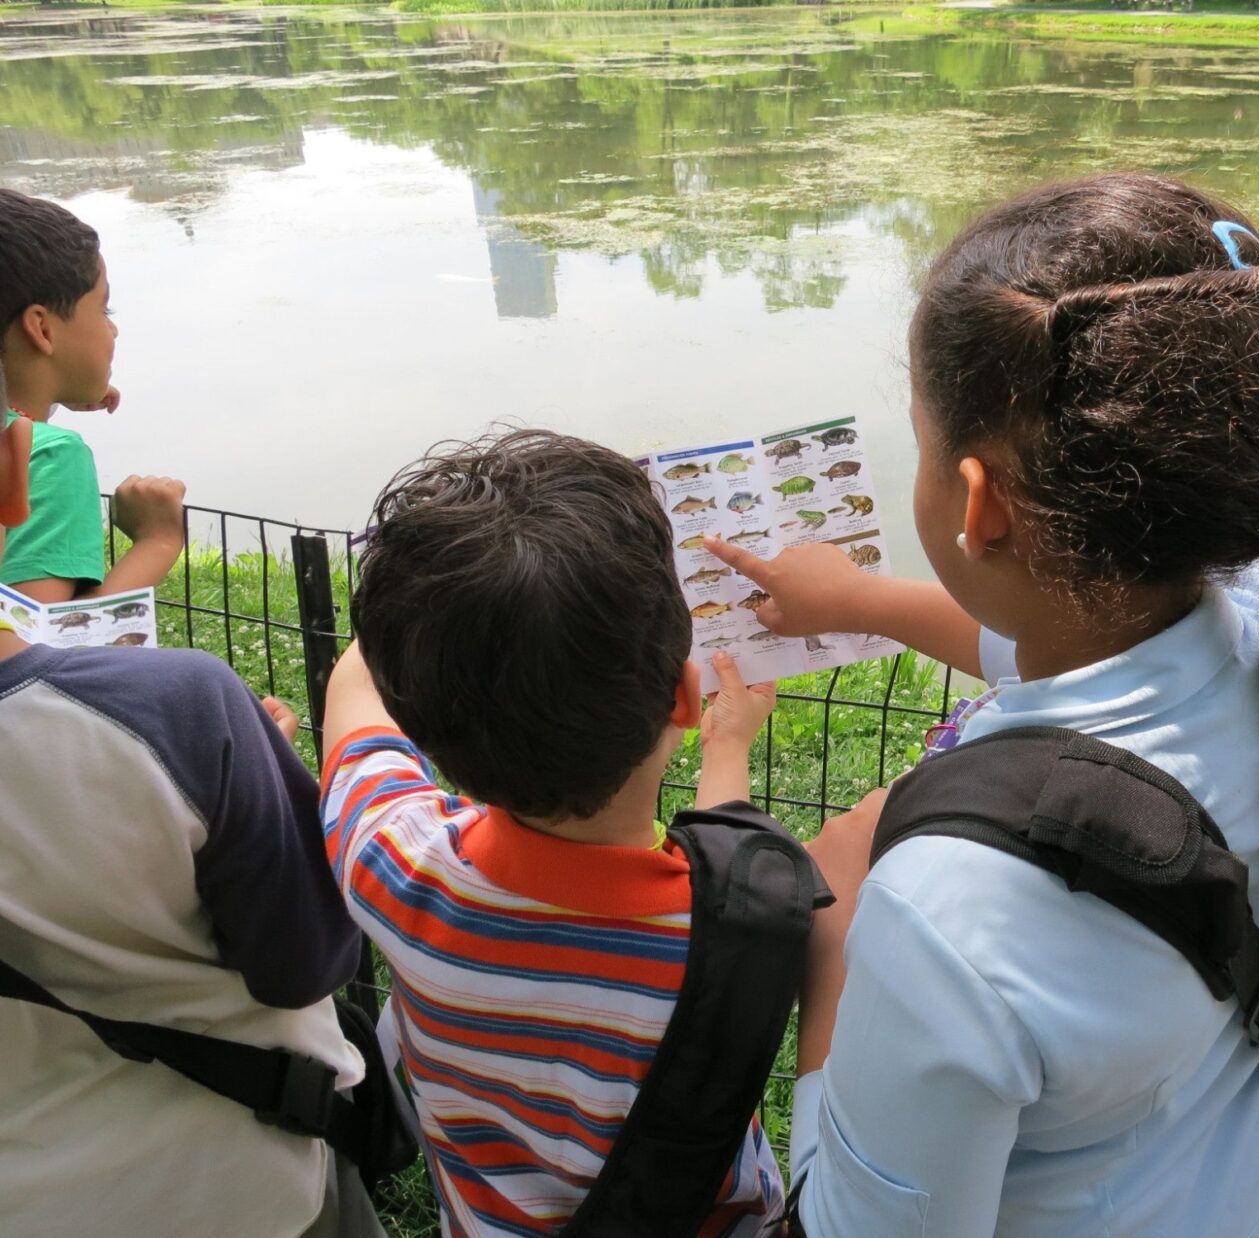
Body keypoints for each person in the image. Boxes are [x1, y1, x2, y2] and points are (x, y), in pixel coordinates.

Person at [705, 172, 1259, 1237]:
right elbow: (1050, 644)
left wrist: (837, 946)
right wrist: (856, 599)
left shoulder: (947, 917)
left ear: (978, 501)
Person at [320, 429, 791, 1236]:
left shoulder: (394, 868)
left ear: (423, 728)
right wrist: (731, 744)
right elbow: (729, 849)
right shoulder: (720, 931)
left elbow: (351, 704)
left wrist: (443, 602)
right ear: (685, 698)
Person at [0, 407, 372, 1233]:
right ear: (15, 470)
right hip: (231, 1186)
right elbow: (305, 962)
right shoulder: (182, 710)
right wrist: (250, 778)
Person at [0, 187, 186, 601]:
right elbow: (40, 643)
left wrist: (49, 395)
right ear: (42, 330)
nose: (113, 328)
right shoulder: (49, 457)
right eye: (105, 310)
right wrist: (157, 542)